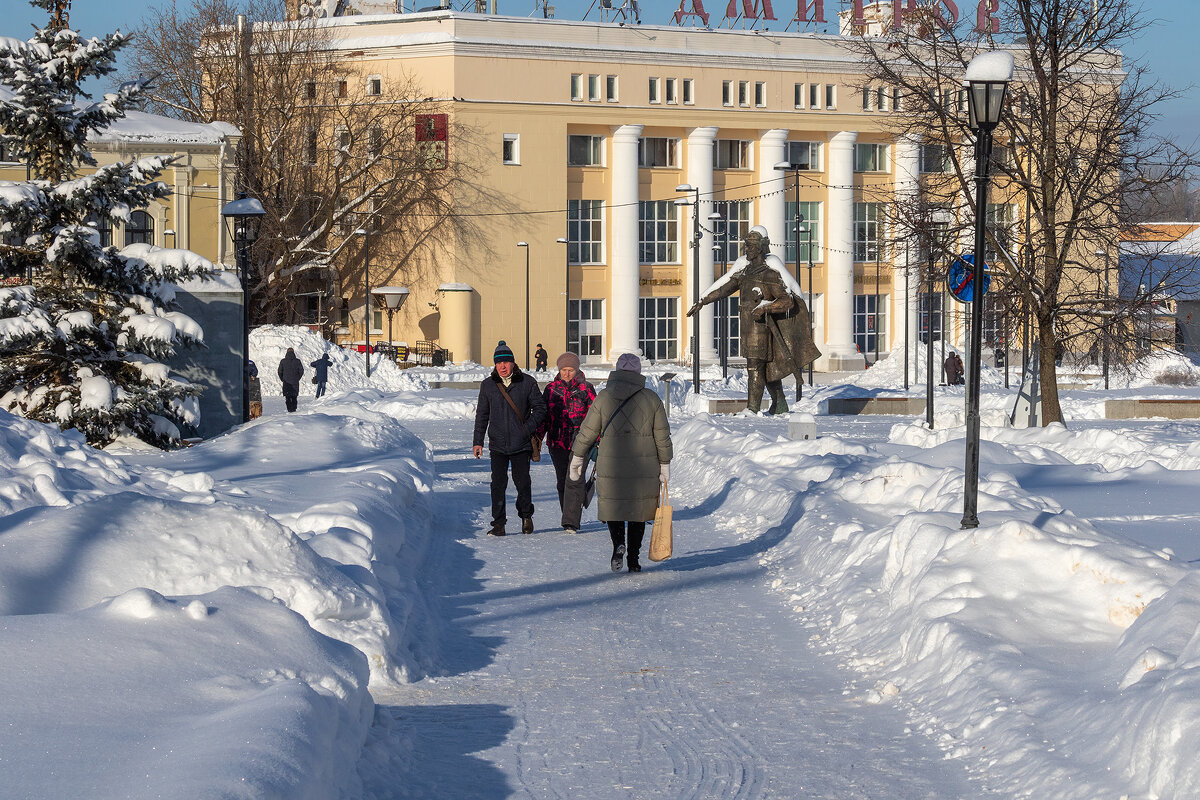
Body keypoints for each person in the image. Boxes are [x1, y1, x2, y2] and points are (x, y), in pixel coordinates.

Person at [687, 226, 820, 414]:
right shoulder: (746, 272)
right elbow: (724, 288)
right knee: (765, 369)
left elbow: (787, 301)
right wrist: (703, 300)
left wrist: (764, 307)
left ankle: (752, 408)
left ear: (759, 248)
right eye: (745, 246)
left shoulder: (768, 274)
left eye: (749, 246)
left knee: (754, 368)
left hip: (761, 328)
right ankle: (779, 404)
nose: (746, 250)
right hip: (747, 327)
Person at [569, 353, 672, 573]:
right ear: (638, 373)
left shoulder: (604, 397)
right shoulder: (651, 399)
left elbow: (588, 431)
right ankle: (633, 560)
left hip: (611, 464)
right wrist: (665, 464)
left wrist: (578, 457)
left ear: (616, 371)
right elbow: (662, 435)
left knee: (614, 508)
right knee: (639, 513)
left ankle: (618, 545)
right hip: (643, 466)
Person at [473, 340, 547, 536]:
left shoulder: (527, 382)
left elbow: (540, 409)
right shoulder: (488, 385)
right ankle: (498, 523)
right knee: (497, 484)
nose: (503, 366)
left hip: (521, 444)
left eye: (506, 362)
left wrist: (526, 429)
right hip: (497, 444)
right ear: (495, 365)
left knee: (522, 482)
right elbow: (482, 415)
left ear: (513, 363)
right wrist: (477, 441)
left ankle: (525, 516)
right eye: (499, 363)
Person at [537, 351, 596, 530]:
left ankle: (571, 521)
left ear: (577, 370)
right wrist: (538, 437)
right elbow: (544, 416)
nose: (567, 373)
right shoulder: (551, 389)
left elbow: (596, 416)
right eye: (564, 369)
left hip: (581, 443)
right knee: (563, 481)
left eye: (570, 370)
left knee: (575, 479)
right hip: (557, 442)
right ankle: (568, 513)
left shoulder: (586, 389)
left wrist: (598, 438)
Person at [277, 347, 304, 412]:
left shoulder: (283, 361)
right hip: (295, 381)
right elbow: (301, 371)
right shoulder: (297, 361)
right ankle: (294, 409)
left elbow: (280, 371)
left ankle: (289, 409)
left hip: (286, 382)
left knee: (288, 397)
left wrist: (282, 379)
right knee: (294, 396)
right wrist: (297, 378)